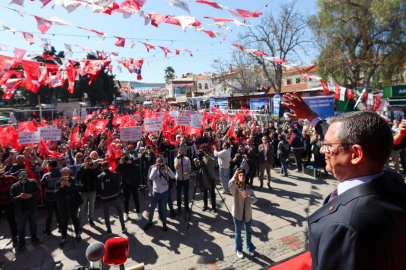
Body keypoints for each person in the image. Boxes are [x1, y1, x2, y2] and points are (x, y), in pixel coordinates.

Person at [282, 92, 406, 269]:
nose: (322, 150)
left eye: (327, 145)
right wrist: (311, 116)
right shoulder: (390, 177)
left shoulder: (345, 226)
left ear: (356, 154)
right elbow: (339, 136)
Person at [10, 169, 42, 254]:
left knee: (33, 224)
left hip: (32, 208)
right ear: (18, 176)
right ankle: (21, 243)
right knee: (21, 227)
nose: (23, 176)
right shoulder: (14, 186)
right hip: (20, 210)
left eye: (24, 174)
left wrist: (30, 195)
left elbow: (38, 191)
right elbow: (12, 198)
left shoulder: (32, 182)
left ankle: (34, 238)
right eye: (21, 175)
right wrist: (20, 197)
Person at [229, 169, 257, 259]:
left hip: (247, 213)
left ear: (246, 177)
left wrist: (247, 197)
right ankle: (239, 249)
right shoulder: (236, 187)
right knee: (238, 232)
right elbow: (230, 185)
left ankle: (249, 248)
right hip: (237, 213)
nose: (242, 177)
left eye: (243, 175)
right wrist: (234, 174)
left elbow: (254, 199)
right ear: (238, 177)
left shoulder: (249, 187)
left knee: (248, 231)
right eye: (240, 175)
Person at [144, 157, 175, 232]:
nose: (160, 164)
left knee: (164, 208)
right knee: (152, 209)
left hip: (164, 192)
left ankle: (164, 223)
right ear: (155, 162)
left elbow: (173, 176)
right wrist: (156, 169)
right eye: (158, 162)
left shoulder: (166, 168)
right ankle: (149, 222)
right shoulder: (153, 168)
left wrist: (167, 169)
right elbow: (151, 177)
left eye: (161, 162)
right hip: (156, 192)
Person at [54, 167, 81, 247]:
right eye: (64, 173)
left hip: (73, 203)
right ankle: (64, 237)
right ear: (61, 175)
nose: (66, 175)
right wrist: (62, 186)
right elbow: (55, 194)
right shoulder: (58, 182)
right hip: (63, 204)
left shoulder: (73, 179)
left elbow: (78, 187)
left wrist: (69, 185)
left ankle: (78, 234)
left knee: (75, 219)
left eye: (67, 173)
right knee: (64, 221)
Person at [98, 161, 126, 235]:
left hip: (104, 197)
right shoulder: (113, 174)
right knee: (119, 211)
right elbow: (117, 184)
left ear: (102, 168)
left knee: (106, 213)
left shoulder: (99, 176)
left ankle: (109, 230)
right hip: (114, 196)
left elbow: (98, 187)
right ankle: (123, 227)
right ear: (108, 166)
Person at [116, 151, 142, 222]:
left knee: (135, 198)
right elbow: (116, 170)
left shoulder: (133, 159)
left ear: (128, 154)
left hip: (133, 183)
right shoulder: (122, 162)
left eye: (126, 154)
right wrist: (120, 163)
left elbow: (138, 168)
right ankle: (126, 213)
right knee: (126, 199)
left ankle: (138, 212)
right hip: (125, 183)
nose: (126, 156)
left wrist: (130, 162)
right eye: (124, 155)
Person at [77, 157, 100, 228]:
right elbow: (78, 176)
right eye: (87, 162)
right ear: (84, 162)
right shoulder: (81, 167)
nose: (88, 164)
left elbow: (99, 175)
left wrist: (94, 168)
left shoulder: (94, 167)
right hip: (83, 191)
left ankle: (91, 220)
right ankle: (79, 222)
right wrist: (85, 169)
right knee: (81, 208)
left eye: (89, 162)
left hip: (92, 190)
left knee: (91, 207)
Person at [40, 160, 62, 235]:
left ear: (50, 166)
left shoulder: (47, 175)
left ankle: (47, 229)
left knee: (49, 213)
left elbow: (42, 184)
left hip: (49, 197)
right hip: (59, 196)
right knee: (59, 212)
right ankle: (61, 227)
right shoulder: (61, 173)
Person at [194, 144, 216, 212]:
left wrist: (206, 155)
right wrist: (195, 161)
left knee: (212, 192)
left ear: (207, 149)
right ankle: (205, 205)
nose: (204, 150)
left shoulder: (210, 155)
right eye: (202, 149)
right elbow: (197, 165)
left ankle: (214, 207)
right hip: (203, 177)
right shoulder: (200, 156)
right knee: (204, 192)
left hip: (211, 176)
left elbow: (213, 161)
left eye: (205, 149)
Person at [0, 168, 18, 246]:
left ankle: (14, 237)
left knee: (12, 220)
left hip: (9, 202)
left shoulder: (10, 178)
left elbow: (19, 183)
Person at [174, 148, 192, 215]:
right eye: (179, 152)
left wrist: (186, 173)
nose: (181, 153)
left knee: (186, 194)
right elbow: (176, 168)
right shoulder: (176, 159)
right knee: (178, 195)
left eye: (182, 152)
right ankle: (179, 208)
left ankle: (186, 207)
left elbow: (190, 169)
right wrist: (179, 159)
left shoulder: (187, 159)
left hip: (186, 179)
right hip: (178, 179)